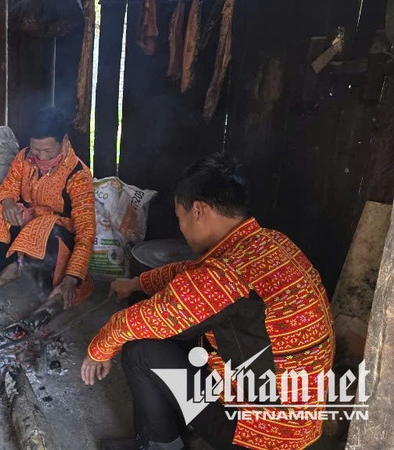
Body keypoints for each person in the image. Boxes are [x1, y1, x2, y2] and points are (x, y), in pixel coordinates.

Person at [82, 154, 334, 450]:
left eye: (180, 218)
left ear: (198, 210)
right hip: (299, 424)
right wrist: (136, 283)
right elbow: (191, 272)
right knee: (183, 334)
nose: (182, 229)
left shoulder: (227, 275)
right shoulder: (271, 243)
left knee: (139, 349)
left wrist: (98, 350)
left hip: (260, 437)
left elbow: (144, 319)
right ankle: (187, 424)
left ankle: (160, 443)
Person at [0, 107, 95, 310]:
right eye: (36, 149)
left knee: (48, 236)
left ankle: (43, 274)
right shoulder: (24, 157)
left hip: (57, 231)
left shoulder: (78, 175)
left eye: (48, 150)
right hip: (28, 218)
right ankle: (12, 266)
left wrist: (72, 278)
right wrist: (7, 202)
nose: (41, 156)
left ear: (64, 141)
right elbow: (9, 186)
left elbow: (86, 233)